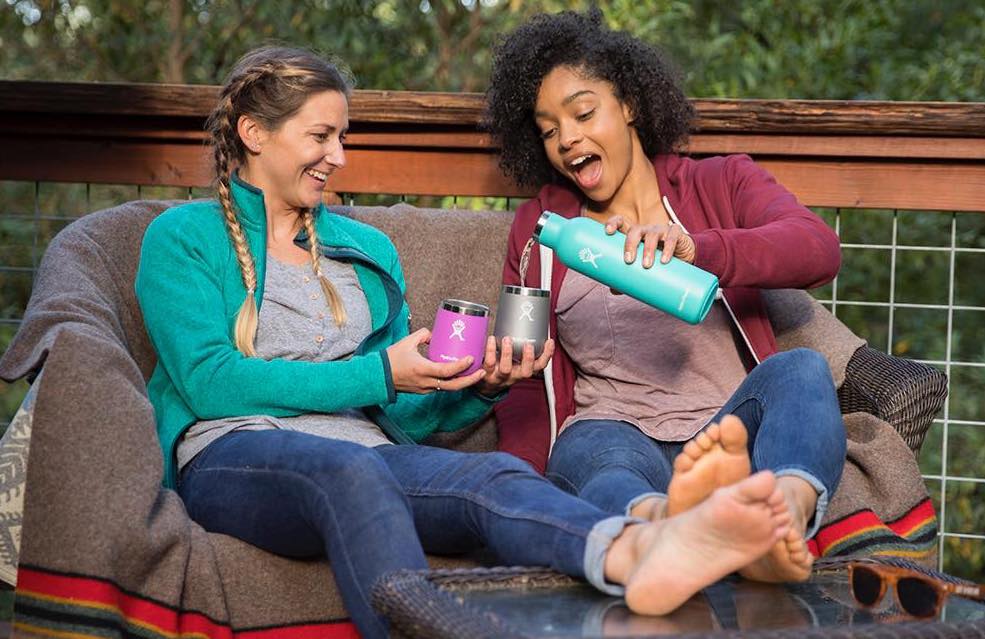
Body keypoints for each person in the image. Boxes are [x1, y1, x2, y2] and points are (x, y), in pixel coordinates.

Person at [135, 45, 797, 639]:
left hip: (369, 452)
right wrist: (381, 374)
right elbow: (210, 379)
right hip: (234, 454)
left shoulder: (364, 251)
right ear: (254, 133)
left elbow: (399, 416)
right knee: (349, 468)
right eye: (320, 136)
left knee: (493, 477)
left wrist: (480, 382)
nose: (338, 156)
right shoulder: (183, 237)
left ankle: (642, 550)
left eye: (342, 136)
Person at [485, 9, 848, 584]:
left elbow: (817, 249)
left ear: (628, 103)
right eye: (549, 130)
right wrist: (516, 490)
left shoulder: (721, 183)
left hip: (727, 431)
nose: (568, 139)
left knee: (802, 371)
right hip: (613, 432)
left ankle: (778, 529)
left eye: (583, 112)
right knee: (598, 467)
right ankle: (668, 537)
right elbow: (522, 363)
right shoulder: (539, 228)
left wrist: (697, 250)